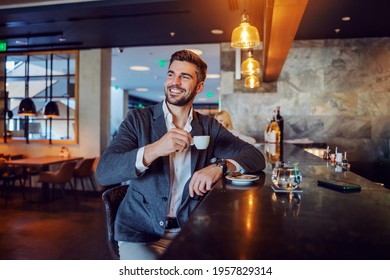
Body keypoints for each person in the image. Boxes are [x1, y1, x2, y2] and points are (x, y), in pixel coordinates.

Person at [96, 50, 266, 260]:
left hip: (192, 231)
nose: (174, 82)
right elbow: (104, 172)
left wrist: (220, 167)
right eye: (171, 74)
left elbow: (256, 156)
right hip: (140, 233)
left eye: (184, 77)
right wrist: (156, 148)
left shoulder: (208, 126)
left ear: (199, 86)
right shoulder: (138, 120)